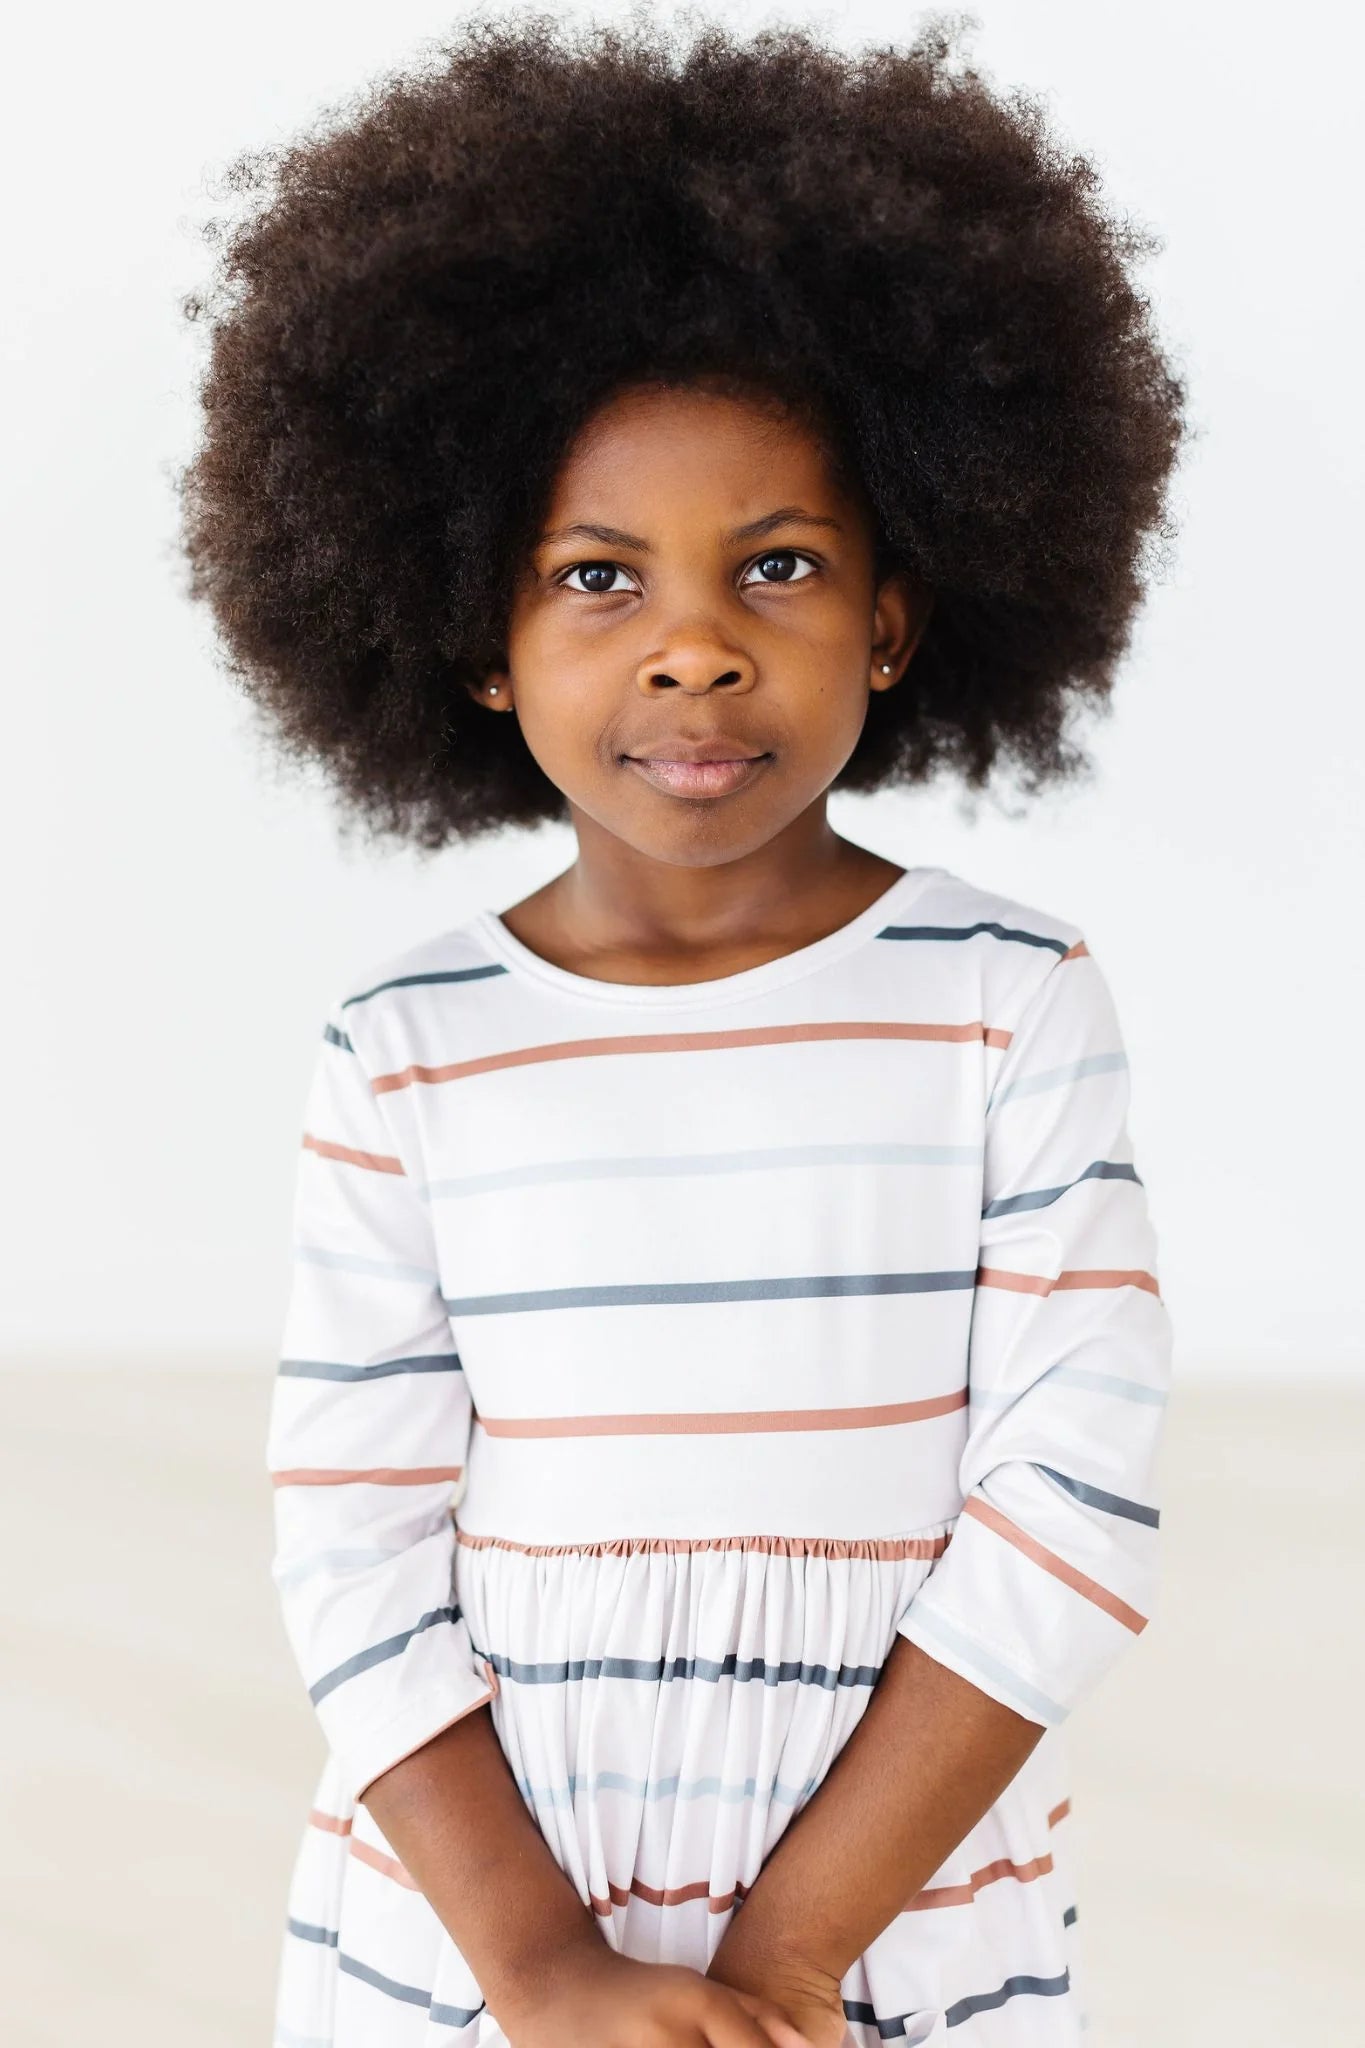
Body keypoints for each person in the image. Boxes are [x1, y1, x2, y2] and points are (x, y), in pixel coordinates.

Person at [176, 12, 1183, 2044]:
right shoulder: (406, 1052)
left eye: (780, 566)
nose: (696, 642)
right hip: (481, 1922)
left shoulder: (1006, 1006)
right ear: (474, 633)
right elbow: (355, 1542)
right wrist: (539, 1966)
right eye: (598, 578)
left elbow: (1069, 1491)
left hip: (888, 1893)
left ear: (893, 617)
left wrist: (796, 1941)